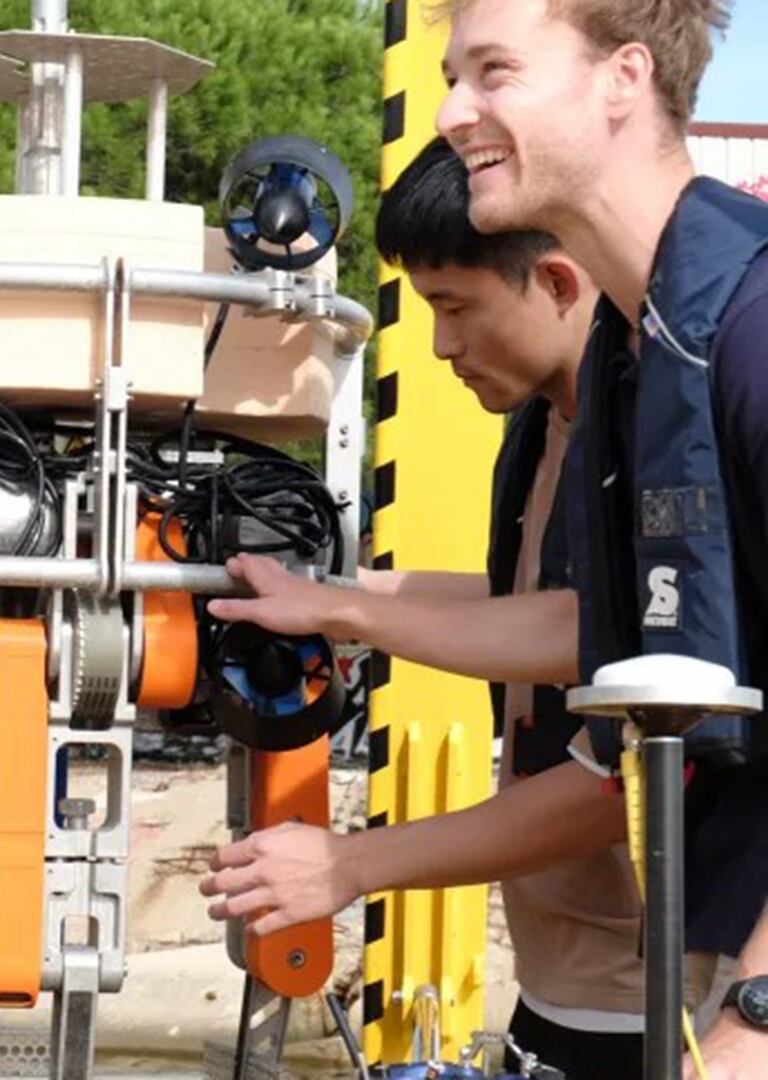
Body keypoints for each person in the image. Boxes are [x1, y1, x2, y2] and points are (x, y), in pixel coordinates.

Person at [200, 137, 646, 1077]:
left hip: (665, 1002)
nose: (440, 345)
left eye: (455, 307)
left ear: (559, 283)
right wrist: (326, 594)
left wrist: (351, 864)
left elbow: (620, 754)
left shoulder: (651, 434)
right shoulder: (549, 419)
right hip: (562, 981)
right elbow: (525, 602)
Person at [437, 2, 768, 1073]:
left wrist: (755, 1020)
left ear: (623, 78)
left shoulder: (751, 335)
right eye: (453, 76)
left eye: (494, 72)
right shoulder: (635, 365)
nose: (452, 113)